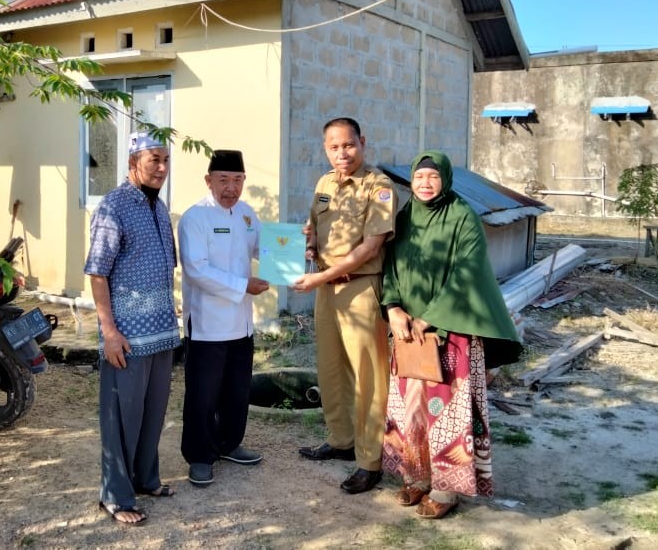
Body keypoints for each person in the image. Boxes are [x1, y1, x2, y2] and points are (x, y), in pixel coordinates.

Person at [380, 151, 523, 519]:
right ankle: (417, 475)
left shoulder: (463, 217)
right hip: (407, 331)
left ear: (445, 179)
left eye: (433, 176)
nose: (425, 183)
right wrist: (394, 307)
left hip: (449, 331)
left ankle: (446, 489)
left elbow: (467, 273)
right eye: (419, 177)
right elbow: (391, 266)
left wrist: (428, 319)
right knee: (410, 408)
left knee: (445, 411)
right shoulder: (405, 216)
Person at [292, 117, 395, 495]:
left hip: (360, 288)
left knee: (368, 375)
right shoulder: (324, 184)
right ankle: (341, 440)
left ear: (362, 143)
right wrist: (308, 245)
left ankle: (370, 461)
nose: (342, 153)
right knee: (330, 368)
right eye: (333, 147)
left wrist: (320, 276)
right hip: (325, 291)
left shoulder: (378, 187)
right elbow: (314, 227)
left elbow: (370, 247)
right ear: (326, 149)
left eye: (348, 145)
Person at [84, 131, 181, 526]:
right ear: (132, 163)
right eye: (153, 159)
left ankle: (145, 478)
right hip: (127, 335)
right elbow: (97, 272)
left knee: (153, 412)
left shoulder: (159, 207)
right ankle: (116, 495)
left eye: (165, 160)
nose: (161, 168)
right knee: (121, 415)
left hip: (161, 331)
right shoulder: (114, 206)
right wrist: (108, 331)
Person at [178, 150, 270, 488]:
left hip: (241, 322)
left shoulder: (246, 214)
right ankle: (200, 456)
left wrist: (297, 249)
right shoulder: (195, 217)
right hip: (207, 323)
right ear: (209, 181)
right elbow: (197, 270)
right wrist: (244, 285)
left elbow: (265, 248)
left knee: (236, 389)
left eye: (238, 180)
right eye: (223, 180)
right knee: (203, 393)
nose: (231, 188)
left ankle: (230, 444)